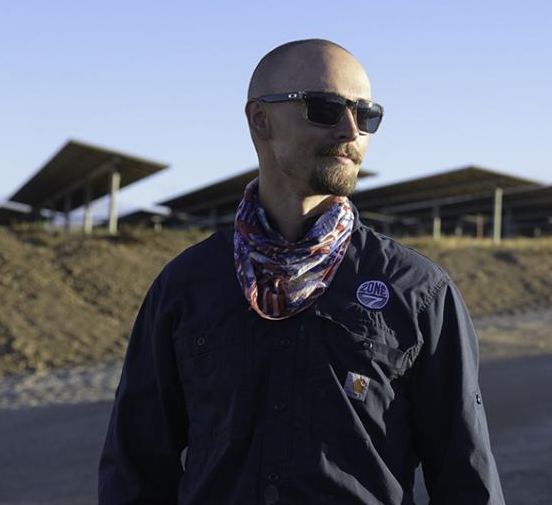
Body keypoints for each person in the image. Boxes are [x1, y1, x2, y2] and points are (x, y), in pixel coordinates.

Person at [99, 39, 505, 504]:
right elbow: (136, 468)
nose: (351, 131)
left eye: (366, 115)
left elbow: (465, 477)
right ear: (260, 120)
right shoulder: (186, 287)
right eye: (326, 109)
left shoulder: (417, 292)